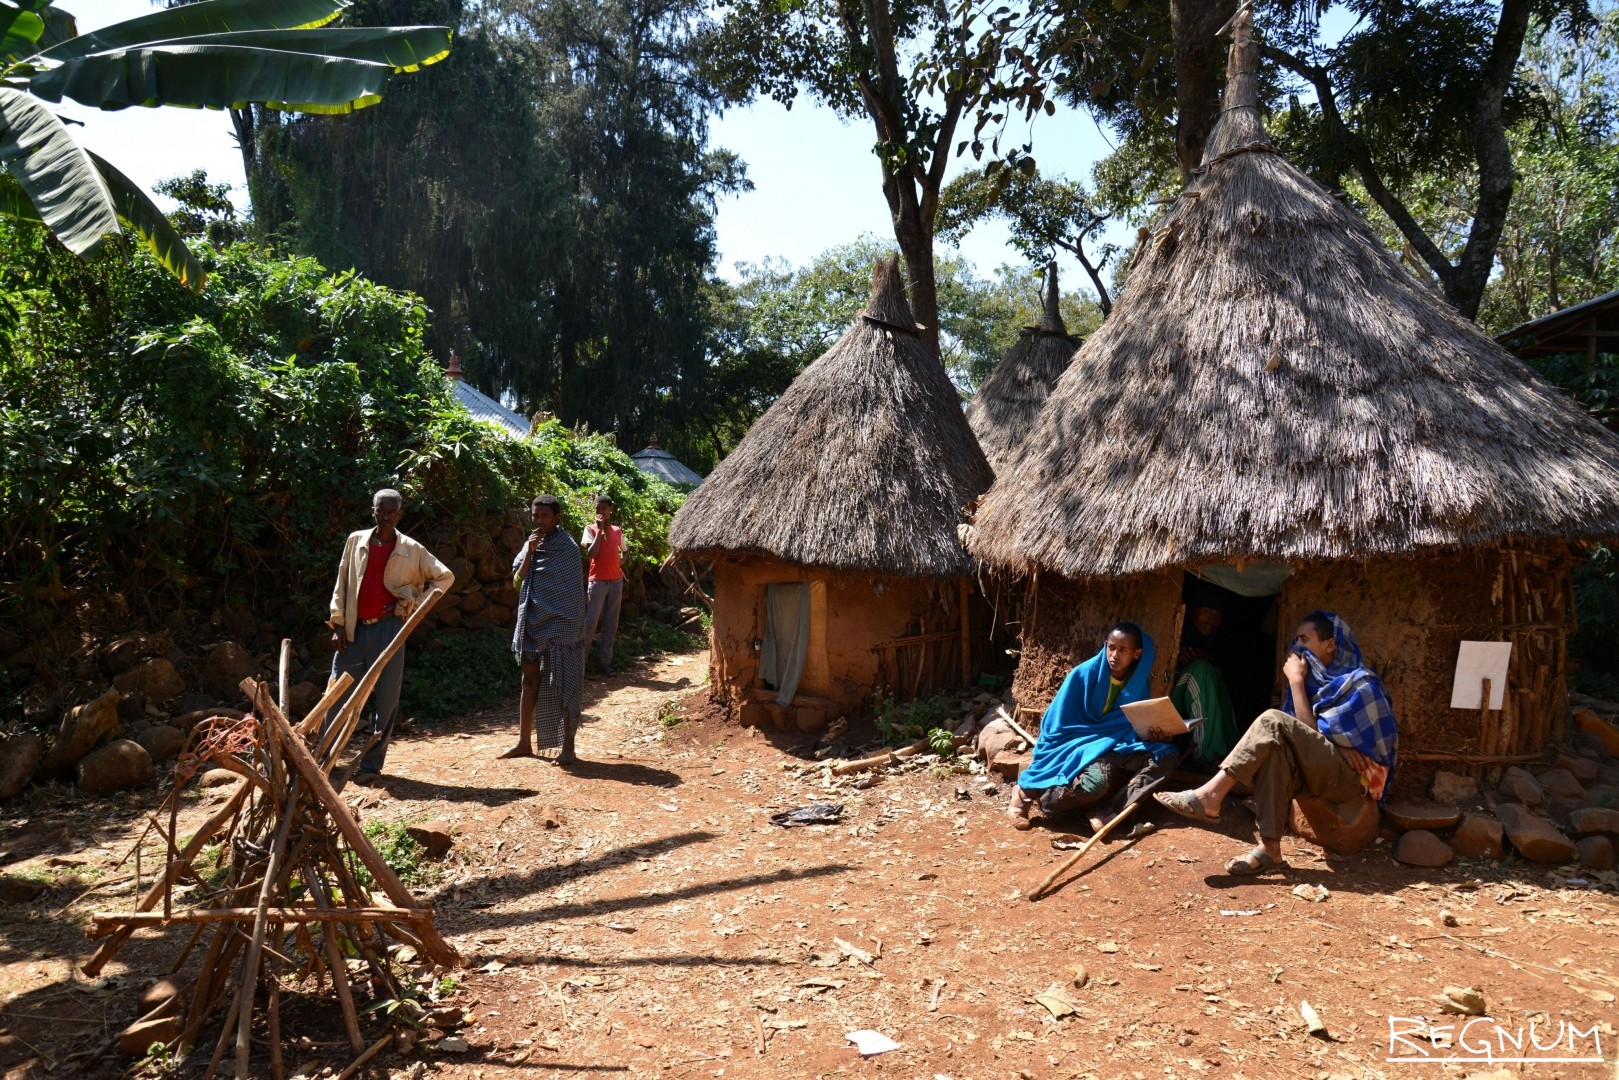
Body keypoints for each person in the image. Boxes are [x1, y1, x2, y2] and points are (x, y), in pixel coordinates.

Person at [1154, 611, 1397, 875]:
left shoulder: (1361, 685)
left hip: (1352, 782)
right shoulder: (1312, 684)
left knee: (1272, 720)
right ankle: (1270, 848)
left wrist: (1294, 682)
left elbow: (1304, 731)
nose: (1297, 647)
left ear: (1330, 644)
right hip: (1321, 769)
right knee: (1275, 751)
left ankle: (1211, 795)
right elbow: (1303, 738)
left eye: (1304, 640)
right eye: (1296, 640)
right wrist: (1338, 745)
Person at [326, 488, 454, 784]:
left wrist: (413, 602)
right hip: (354, 629)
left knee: (386, 699)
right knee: (336, 695)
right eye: (380, 511)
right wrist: (337, 624)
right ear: (372, 510)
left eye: (391, 512)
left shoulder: (411, 548)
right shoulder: (356, 540)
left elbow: (445, 577)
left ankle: (371, 767)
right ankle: (325, 759)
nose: (385, 516)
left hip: (390, 629)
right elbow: (341, 583)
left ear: (400, 514)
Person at [1008, 623, 1180, 830]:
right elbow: (1057, 726)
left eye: (1123, 650)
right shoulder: (1082, 675)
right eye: (1111, 647)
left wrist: (1153, 735)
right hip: (1077, 742)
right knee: (1094, 784)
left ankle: (1109, 808)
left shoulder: (1139, 683)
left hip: (1116, 744)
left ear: (1137, 654)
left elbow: (1130, 724)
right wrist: (1094, 741)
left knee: (1166, 754)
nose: (1114, 655)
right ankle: (1030, 793)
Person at [505, 494, 586, 764]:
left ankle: (569, 748)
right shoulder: (530, 545)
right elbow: (518, 582)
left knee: (562, 683)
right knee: (529, 681)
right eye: (535, 516)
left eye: (545, 516)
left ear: (557, 518)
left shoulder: (568, 548)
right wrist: (529, 551)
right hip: (531, 621)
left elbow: (572, 593)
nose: (539, 521)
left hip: (561, 626)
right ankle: (524, 742)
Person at [1171, 603, 1240, 768]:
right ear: (1192, 613)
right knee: (1203, 669)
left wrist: (1207, 658)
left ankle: (1233, 757)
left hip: (1191, 691)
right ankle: (1207, 755)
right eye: (1207, 611)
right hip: (1166, 701)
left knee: (1213, 672)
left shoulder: (1216, 641)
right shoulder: (1176, 630)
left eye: (1218, 614)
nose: (1212, 619)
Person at [581, 495, 625, 678]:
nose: (600, 512)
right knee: (591, 622)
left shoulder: (617, 531)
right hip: (597, 581)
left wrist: (620, 563)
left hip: (616, 581)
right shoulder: (589, 529)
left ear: (610, 510)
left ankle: (605, 664)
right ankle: (580, 665)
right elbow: (592, 553)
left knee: (611, 624)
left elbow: (625, 551)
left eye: (603, 509)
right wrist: (599, 531)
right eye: (597, 509)